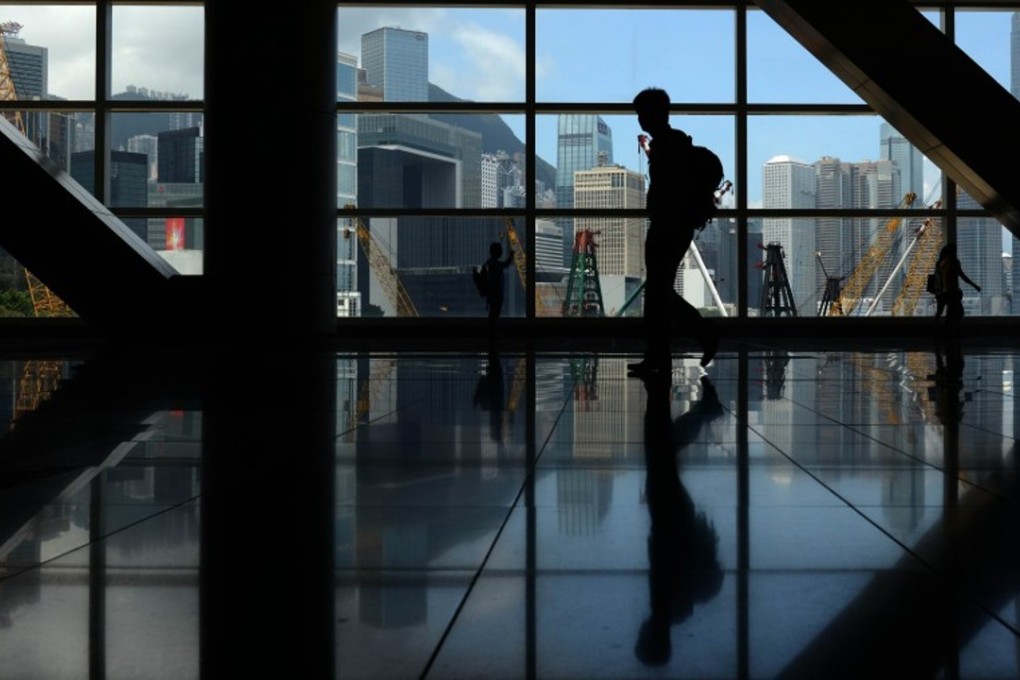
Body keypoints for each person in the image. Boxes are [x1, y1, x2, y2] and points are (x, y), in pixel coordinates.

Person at [634, 371, 724, 666]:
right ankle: (664, 394)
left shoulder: (675, 609)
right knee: (660, 451)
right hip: (670, 526)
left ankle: (667, 395)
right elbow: (661, 561)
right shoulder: (665, 607)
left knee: (661, 450)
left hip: (674, 526)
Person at [628, 87, 719, 376]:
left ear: (655, 113)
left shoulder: (668, 146)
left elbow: (667, 190)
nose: (640, 119)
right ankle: (659, 354)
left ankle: (700, 333)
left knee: (657, 292)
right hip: (674, 225)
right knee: (657, 292)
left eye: (642, 113)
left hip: (667, 225)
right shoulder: (672, 143)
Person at [934, 242, 980, 337]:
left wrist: (938, 291)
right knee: (957, 313)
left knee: (941, 313)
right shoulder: (954, 262)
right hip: (952, 292)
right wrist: (975, 286)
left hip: (942, 293)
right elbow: (963, 276)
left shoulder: (939, 263)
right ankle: (954, 332)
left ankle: (938, 333)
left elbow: (938, 279)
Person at [483, 240, 515, 324]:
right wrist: (511, 256)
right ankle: (492, 333)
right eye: (500, 250)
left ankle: (492, 333)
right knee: (495, 314)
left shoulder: (490, 262)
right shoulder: (494, 263)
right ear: (496, 251)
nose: (501, 252)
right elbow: (505, 264)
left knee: (493, 313)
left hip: (493, 292)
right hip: (496, 293)